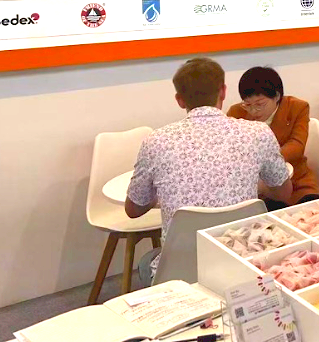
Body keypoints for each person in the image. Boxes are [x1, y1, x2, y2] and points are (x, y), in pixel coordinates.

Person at [125, 57, 292, 285]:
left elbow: (133, 209)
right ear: (223, 91)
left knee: (147, 262)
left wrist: (160, 193)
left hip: (183, 273)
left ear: (179, 100)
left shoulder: (155, 141)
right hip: (245, 264)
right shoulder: (258, 133)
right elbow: (284, 193)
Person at [227, 66, 319, 211]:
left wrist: (267, 160)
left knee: (311, 215)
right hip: (257, 188)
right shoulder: (236, 112)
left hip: (296, 181)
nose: (253, 111)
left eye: (260, 104)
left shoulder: (297, 107)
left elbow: (297, 145)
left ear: (277, 96)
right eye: (248, 105)